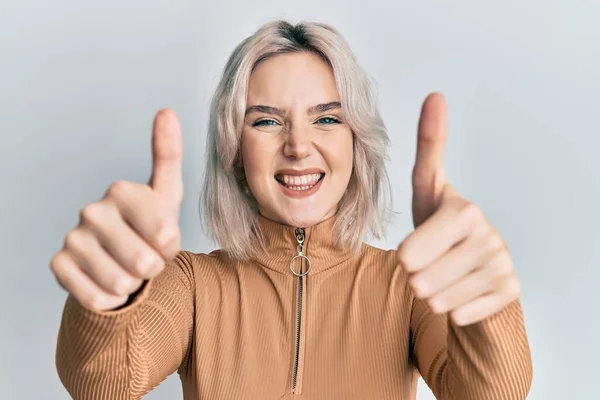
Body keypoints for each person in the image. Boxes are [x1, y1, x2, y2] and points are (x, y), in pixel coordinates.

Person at [51, 20, 533, 399]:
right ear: (235, 149)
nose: (298, 146)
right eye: (266, 120)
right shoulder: (192, 284)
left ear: (356, 141)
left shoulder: (407, 285)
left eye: (326, 118)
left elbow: (493, 395)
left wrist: (487, 310)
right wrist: (105, 302)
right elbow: (102, 387)